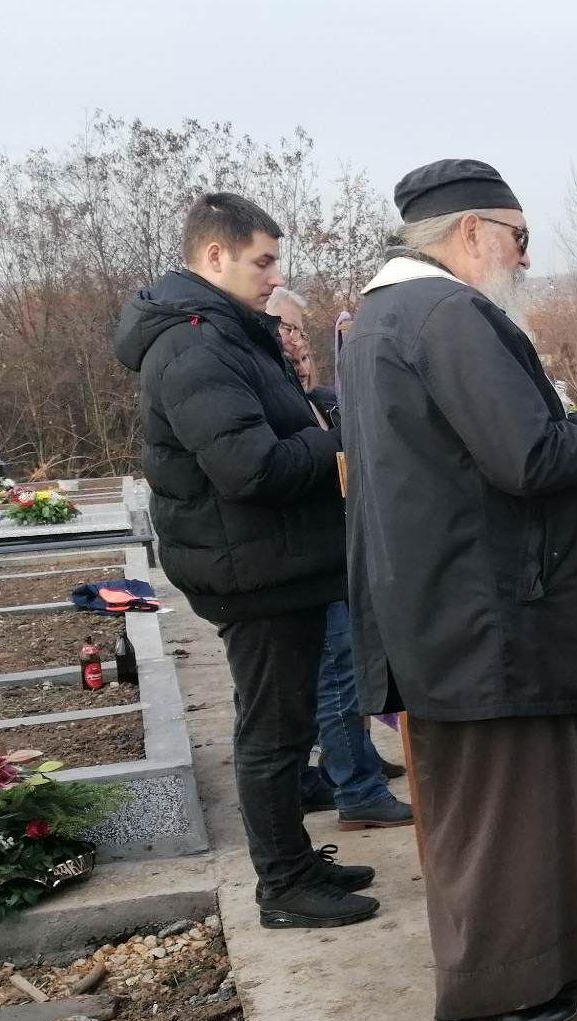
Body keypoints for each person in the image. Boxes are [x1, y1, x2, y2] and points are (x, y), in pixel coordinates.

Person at [339, 159, 577, 1021]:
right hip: (490, 619)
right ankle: (497, 993)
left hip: (454, 608)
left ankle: (547, 964)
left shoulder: (378, 316)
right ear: (473, 233)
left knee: (506, 803)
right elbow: (526, 457)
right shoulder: (446, 315)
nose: (525, 259)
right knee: (501, 813)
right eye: (520, 239)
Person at [113, 193, 378, 930]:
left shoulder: (224, 334)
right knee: (273, 731)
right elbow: (250, 468)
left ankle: (293, 862)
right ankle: (284, 886)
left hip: (270, 560)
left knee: (285, 725)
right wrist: (345, 446)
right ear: (214, 257)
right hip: (252, 570)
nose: (273, 276)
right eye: (263, 261)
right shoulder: (195, 345)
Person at [265, 287, 412, 829]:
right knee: (336, 677)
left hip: (329, 556)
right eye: (292, 350)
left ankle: (351, 765)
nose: (301, 361)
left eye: (305, 350)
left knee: (340, 671)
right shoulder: (273, 409)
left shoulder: (317, 400)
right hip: (309, 562)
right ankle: (357, 790)